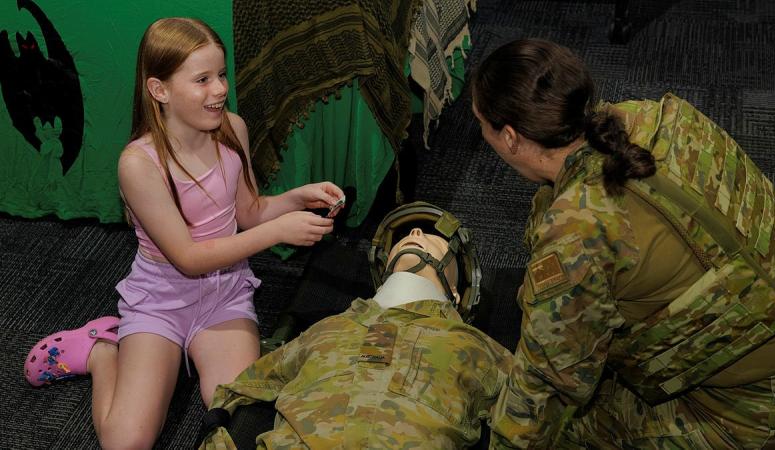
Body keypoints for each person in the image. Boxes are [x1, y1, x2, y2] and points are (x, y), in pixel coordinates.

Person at [23, 17, 343, 449]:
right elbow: (189, 257)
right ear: (160, 90)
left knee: (239, 418)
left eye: (222, 75)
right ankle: (102, 353)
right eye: (203, 79)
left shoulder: (233, 130)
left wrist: (295, 199)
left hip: (224, 296)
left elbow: (249, 212)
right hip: (161, 301)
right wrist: (279, 232)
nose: (221, 89)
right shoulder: (138, 164)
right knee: (125, 443)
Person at [470, 38, 775, 449]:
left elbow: (547, 385)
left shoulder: (577, 234)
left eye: (481, 124)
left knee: (558, 422)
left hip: (750, 413)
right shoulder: (651, 117)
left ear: (511, 137)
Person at [198, 201, 513, 449]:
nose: (416, 234)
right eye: (407, 236)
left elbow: (537, 408)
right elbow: (237, 389)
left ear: (456, 295)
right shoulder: (328, 329)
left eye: (432, 239)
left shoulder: (470, 343)